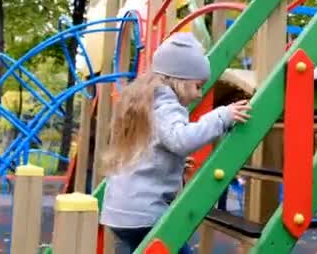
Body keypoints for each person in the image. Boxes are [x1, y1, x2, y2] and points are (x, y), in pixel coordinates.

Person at [99, 32, 251, 254]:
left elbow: (151, 148)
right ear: (180, 81)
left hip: (120, 213)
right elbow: (181, 140)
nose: (200, 95)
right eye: (198, 86)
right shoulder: (166, 104)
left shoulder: (145, 100)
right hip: (144, 214)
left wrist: (173, 161)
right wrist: (221, 116)